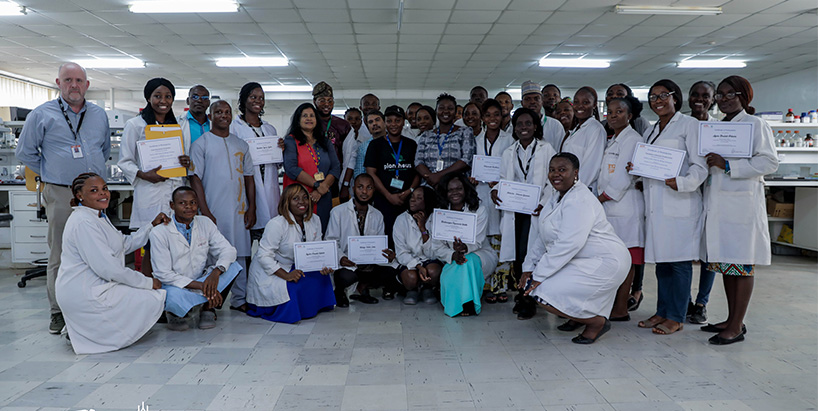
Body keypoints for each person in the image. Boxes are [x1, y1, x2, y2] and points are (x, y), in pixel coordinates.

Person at [15, 62, 110, 334]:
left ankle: (92, 305)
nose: (74, 85)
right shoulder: (41, 114)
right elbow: (25, 153)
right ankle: (58, 312)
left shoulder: (98, 115)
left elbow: (103, 150)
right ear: (58, 83)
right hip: (60, 191)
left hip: (95, 195)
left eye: (79, 80)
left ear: (87, 85)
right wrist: (52, 171)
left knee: (98, 250)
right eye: (68, 80)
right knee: (60, 252)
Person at [700, 75, 778, 345]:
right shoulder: (717, 126)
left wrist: (729, 165)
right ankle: (731, 318)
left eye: (729, 94)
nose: (723, 99)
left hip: (742, 205)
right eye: (720, 95)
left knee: (741, 263)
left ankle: (736, 326)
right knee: (726, 263)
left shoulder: (755, 124)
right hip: (719, 204)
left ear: (743, 96)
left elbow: (769, 162)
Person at [521, 153, 630, 344]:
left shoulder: (580, 199)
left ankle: (596, 323)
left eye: (562, 170)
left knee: (540, 292)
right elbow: (542, 236)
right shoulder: (556, 197)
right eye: (552, 170)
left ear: (576, 173)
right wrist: (528, 268)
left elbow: (569, 243)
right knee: (540, 284)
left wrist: (538, 275)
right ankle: (578, 317)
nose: (556, 174)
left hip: (605, 260)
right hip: (581, 259)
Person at [56, 173, 169, 354]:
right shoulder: (83, 222)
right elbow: (110, 269)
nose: (103, 194)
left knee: (143, 294)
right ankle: (88, 333)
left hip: (94, 284)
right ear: (80, 195)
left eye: (105, 188)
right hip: (84, 292)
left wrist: (151, 226)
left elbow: (124, 244)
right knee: (152, 297)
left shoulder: (98, 216)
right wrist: (148, 282)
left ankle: (85, 330)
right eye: (94, 191)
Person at [632, 79, 707, 336]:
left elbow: (700, 166)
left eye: (664, 95)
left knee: (679, 263)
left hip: (680, 203)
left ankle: (676, 316)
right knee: (662, 263)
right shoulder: (651, 131)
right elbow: (651, 164)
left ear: (675, 97)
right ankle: (662, 311)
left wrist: (683, 183)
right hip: (656, 206)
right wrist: (637, 169)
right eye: (653, 97)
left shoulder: (689, 125)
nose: (658, 101)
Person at [119, 78, 191, 277]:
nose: (163, 101)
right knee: (150, 245)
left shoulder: (178, 126)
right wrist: (143, 174)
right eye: (157, 96)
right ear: (148, 98)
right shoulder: (135, 125)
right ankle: (149, 288)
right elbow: (125, 161)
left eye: (168, 96)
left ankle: (171, 289)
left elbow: (184, 157)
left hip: (173, 191)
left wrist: (185, 161)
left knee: (174, 247)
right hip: (149, 192)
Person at [190, 100, 256, 312]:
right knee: (213, 254)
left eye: (227, 112)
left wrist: (252, 208)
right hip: (213, 209)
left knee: (241, 252)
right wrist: (205, 211)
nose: (223, 115)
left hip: (239, 209)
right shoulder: (201, 144)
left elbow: (249, 178)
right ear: (210, 116)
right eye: (218, 112)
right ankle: (208, 299)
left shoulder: (241, 144)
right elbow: (195, 179)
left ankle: (239, 299)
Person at [492, 108, 556, 319]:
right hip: (516, 211)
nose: (523, 127)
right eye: (519, 124)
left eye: (528, 123)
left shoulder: (547, 149)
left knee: (532, 254)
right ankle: (523, 293)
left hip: (537, 210)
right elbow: (503, 179)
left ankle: (531, 298)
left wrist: (543, 202)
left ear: (536, 126)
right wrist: (495, 191)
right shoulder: (509, 152)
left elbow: (552, 180)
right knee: (519, 255)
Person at [150, 186, 240, 330]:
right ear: (172, 205)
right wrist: (201, 286)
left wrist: (216, 273)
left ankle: (207, 308)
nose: (189, 207)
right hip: (175, 285)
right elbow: (163, 274)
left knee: (232, 266)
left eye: (193, 202)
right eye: (182, 203)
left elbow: (228, 250)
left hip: (201, 280)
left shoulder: (205, 223)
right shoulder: (159, 232)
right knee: (172, 296)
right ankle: (174, 313)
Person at [246, 184, 336, 323]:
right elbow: (263, 256)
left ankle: (314, 306)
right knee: (293, 288)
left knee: (321, 277)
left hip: (300, 265)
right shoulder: (276, 224)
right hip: (275, 268)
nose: (302, 202)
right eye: (295, 198)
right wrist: (286, 275)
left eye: (305, 198)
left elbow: (317, 248)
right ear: (286, 202)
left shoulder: (315, 219)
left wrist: (323, 265)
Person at [596, 97, 645, 321]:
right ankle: (616, 304)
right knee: (616, 258)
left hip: (625, 208)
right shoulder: (613, 139)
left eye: (619, 111)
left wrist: (601, 198)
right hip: (612, 207)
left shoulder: (633, 139)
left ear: (630, 116)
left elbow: (624, 176)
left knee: (627, 260)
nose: (614, 115)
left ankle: (621, 308)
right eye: (610, 112)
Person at [431, 173, 497, 317]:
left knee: (468, 261)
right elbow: (437, 247)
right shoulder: (440, 213)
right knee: (461, 263)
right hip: (452, 257)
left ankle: (467, 303)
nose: (455, 193)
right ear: (445, 192)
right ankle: (464, 300)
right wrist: (453, 254)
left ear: (466, 189)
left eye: (459, 189)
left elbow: (478, 242)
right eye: (450, 190)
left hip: (480, 254)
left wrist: (464, 249)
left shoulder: (479, 209)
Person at [327, 173, 399, 305]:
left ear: (374, 190)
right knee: (346, 276)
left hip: (368, 263)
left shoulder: (377, 214)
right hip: (348, 262)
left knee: (392, 270)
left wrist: (387, 254)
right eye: (360, 187)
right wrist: (341, 258)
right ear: (353, 188)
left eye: (369, 187)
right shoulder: (338, 212)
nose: (364, 192)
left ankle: (363, 288)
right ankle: (340, 291)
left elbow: (379, 244)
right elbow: (330, 241)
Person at [471, 99, 514, 304]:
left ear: (502, 115)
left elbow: (513, 167)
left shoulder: (510, 139)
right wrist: (472, 177)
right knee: (483, 240)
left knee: (501, 241)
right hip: (480, 194)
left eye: (496, 114)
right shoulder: (475, 140)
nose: (492, 119)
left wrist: (501, 181)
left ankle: (500, 286)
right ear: (482, 118)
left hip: (501, 196)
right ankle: (485, 285)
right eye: (488, 115)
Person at [230, 82, 282, 243]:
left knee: (270, 241)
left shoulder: (270, 129)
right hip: (247, 187)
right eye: (253, 97)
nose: (258, 101)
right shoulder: (234, 128)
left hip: (270, 188)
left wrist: (281, 150)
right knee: (246, 241)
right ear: (244, 99)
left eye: (261, 98)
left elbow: (277, 164)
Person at [686, 80, 718, 324]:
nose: (699, 99)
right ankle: (684, 300)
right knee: (684, 251)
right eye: (695, 94)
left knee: (709, 252)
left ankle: (701, 303)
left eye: (705, 95)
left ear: (713, 99)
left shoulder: (719, 128)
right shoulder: (680, 125)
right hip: (684, 195)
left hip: (712, 194)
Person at [283, 103, 341, 232]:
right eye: (305, 116)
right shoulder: (291, 141)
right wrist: (317, 185)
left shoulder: (325, 141)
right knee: (299, 233)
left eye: (312, 115)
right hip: (299, 197)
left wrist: (321, 189)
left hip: (323, 196)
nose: (309, 118)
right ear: (298, 120)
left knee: (322, 232)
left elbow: (336, 167)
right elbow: (291, 168)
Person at [364, 106, 419, 239]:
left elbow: (418, 172)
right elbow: (371, 173)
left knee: (408, 236)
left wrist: (409, 191)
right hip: (383, 199)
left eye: (397, 120)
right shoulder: (375, 145)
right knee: (386, 235)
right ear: (385, 123)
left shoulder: (412, 144)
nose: (393, 124)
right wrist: (388, 195)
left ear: (403, 122)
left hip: (407, 199)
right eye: (389, 121)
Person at [415, 93, 476, 188]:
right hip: (429, 186)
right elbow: (418, 162)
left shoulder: (465, 132)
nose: (446, 111)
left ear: (455, 112)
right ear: (436, 111)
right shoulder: (426, 135)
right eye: (441, 108)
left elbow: (466, 160)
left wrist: (439, 176)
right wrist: (431, 178)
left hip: (455, 186)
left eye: (450, 108)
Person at [393, 186, 441, 305]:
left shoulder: (436, 218)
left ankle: (427, 288)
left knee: (433, 271)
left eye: (419, 198)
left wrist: (423, 228)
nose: (412, 200)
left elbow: (434, 252)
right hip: (409, 262)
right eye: (412, 197)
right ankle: (411, 289)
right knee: (411, 277)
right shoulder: (401, 219)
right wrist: (419, 266)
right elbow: (401, 253)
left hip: (429, 260)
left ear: (427, 201)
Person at [558, 86, 606, 190]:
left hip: (581, 189)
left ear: (594, 105)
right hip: (568, 187)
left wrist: (574, 189)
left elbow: (591, 168)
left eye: (585, 102)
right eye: (576, 102)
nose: (580, 106)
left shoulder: (596, 129)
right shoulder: (576, 129)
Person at [339, 94, 379, 199]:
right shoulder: (344, 136)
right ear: (361, 107)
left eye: (373, 104)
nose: (370, 106)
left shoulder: (377, 134)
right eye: (366, 104)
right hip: (350, 178)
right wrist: (345, 184)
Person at [313, 81, 351, 188]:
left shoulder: (343, 125)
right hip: (311, 173)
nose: (327, 104)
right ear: (314, 102)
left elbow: (349, 153)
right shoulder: (309, 123)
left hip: (335, 175)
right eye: (322, 101)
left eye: (330, 101)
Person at [520, 81, 565, 153]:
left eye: (536, 98)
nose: (532, 102)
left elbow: (560, 152)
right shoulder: (516, 126)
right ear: (522, 103)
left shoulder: (555, 125)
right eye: (528, 99)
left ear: (542, 101)